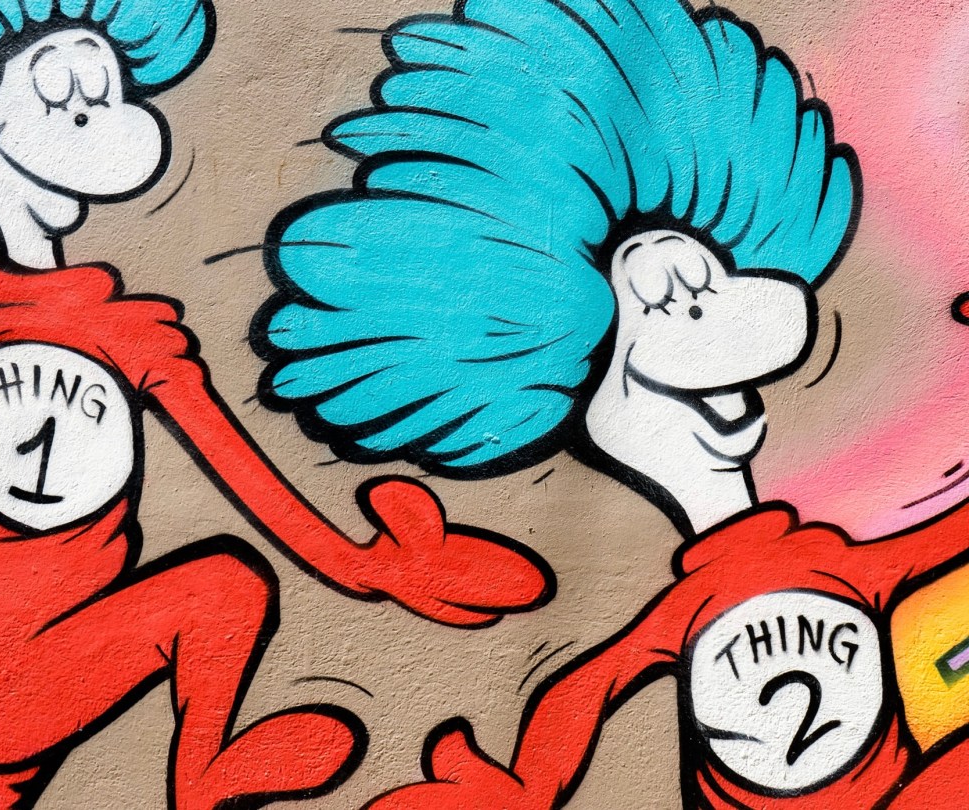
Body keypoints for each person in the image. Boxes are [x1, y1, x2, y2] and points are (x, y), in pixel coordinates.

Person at [254, 0, 969, 804]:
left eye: (705, 285)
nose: (699, 317)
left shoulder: (821, 572)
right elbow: (585, 689)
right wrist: (524, 787)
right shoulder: (705, 609)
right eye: (666, 303)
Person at [0, 2, 553, 807]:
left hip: (33, 681)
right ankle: (202, 775)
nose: (96, 113)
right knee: (224, 587)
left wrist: (365, 565)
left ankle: (203, 773)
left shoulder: (136, 338)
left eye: (109, 90)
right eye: (60, 90)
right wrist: (365, 567)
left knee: (226, 586)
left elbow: (245, 477)